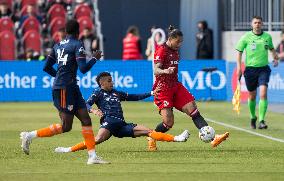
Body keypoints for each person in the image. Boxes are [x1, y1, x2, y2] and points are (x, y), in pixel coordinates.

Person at [20, 20, 108, 165]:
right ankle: (29, 135)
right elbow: (83, 69)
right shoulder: (77, 44)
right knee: (66, 126)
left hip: (71, 87)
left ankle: (92, 156)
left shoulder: (57, 45)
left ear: (65, 31)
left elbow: (46, 67)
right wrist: (94, 58)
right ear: (78, 31)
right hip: (64, 89)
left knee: (86, 119)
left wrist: (59, 76)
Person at [54, 72, 190, 154]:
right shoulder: (98, 92)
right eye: (109, 81)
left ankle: (177, 138)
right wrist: (94, 110)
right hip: (109, 123)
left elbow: (134, 97)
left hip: (121, 125)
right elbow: (87, 104)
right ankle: (68, 149)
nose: (112, 82)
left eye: (112, 80)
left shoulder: (116, 93)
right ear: (102, 83)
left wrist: (151, 93)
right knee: (97, 140)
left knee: (148, 131)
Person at [148, 25, 229, 151]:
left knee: (193, 109)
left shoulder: (175, 51)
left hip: (176, 86)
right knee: (168, 123)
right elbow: (156, 70)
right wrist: (165, 71)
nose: (179, 44)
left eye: (181, 42)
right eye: (178, 41)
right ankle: (152, 137)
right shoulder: (161, 50)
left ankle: (214, 138)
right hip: (163, 89)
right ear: (170, 38)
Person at [235, 16, 279, 129]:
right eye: (255, 22)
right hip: (250, 70)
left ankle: (262, 120)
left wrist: (275, 57)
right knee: (252, 95)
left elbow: (272, 48)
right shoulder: (246, 37)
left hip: (263, 69)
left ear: (262, 24)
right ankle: (252, 117)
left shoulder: (267, 37)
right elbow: (239, 53)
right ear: (252, 24)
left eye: (259, 22)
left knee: (263, 93)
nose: (257, 24)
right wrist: (239, 68)